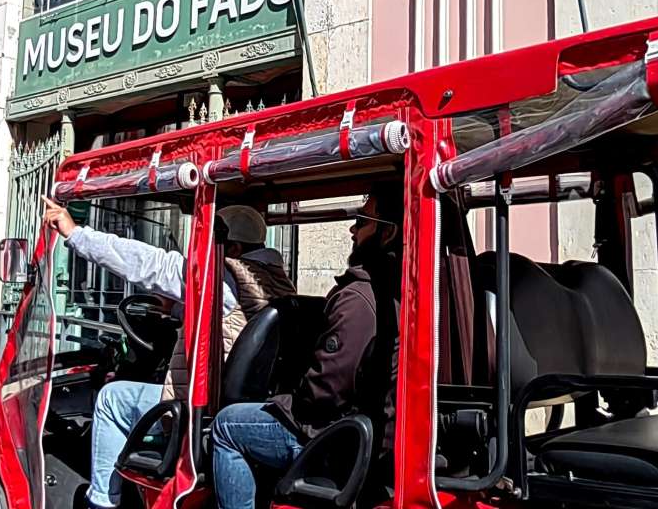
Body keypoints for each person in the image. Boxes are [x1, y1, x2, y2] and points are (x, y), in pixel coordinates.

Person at [41, 197, 295, 509]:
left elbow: (149, 263)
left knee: (111, 397)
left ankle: (102, 501)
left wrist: (75, 233)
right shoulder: (278, 282)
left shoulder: (223, 275)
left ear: (232, 249)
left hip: (200, 407)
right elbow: (227, 319)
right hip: (250, 400)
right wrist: (174, 307)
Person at [211, 182, 403, 509]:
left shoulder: (359, 298)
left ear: (388, 234)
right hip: (355, 427)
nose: (352, 229)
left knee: (226, 424)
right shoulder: (396, 288)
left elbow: (325, 390)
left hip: (331, 433)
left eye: (363, 221)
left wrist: (288, 399)